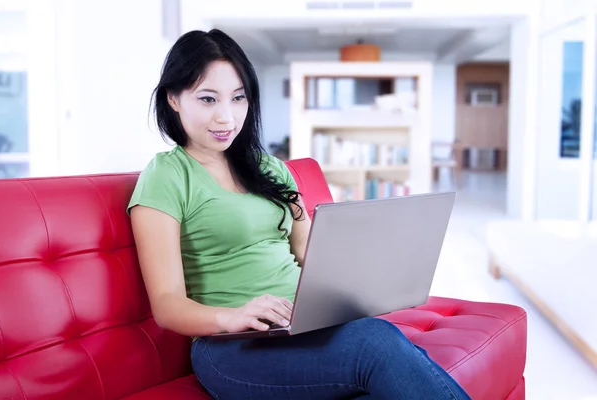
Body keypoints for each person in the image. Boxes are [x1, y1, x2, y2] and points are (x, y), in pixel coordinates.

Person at [128, 29, 471, 400]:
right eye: (208, 99)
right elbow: (166, 305)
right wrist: (232, 316)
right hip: (230, 347)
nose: (226, 117)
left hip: (302, 328)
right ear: (174, 99)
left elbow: (308, 250)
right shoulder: (166, 176)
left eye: (238, 98)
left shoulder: (271, 170)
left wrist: (370, 275)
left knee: (385, 363)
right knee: (377, 344)